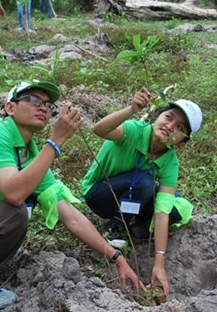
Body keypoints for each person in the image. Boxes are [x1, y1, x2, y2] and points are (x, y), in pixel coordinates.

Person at [0, 79, 145, 311]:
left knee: (22, 204)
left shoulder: (29, 156)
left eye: (47, 104)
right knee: (15, 210)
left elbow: (71, 217)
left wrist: (117, 258)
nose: (42, 107)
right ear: (10, 107)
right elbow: (13, 193)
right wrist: (56, 141)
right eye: (32, 99)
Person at [81, 88, 202, 297]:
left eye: (179, 128)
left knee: (175, 208)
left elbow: (162, 212)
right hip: (100, 195)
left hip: (131, 195)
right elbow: (99, 130)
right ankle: (117, 229)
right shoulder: (133, 131)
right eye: (168, 117)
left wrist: (159, 262)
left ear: (182, 141)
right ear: (158, 116)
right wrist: (131, 109)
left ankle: (137, 228)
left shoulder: (171, 162)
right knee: (145, 183)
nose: (170, 126)